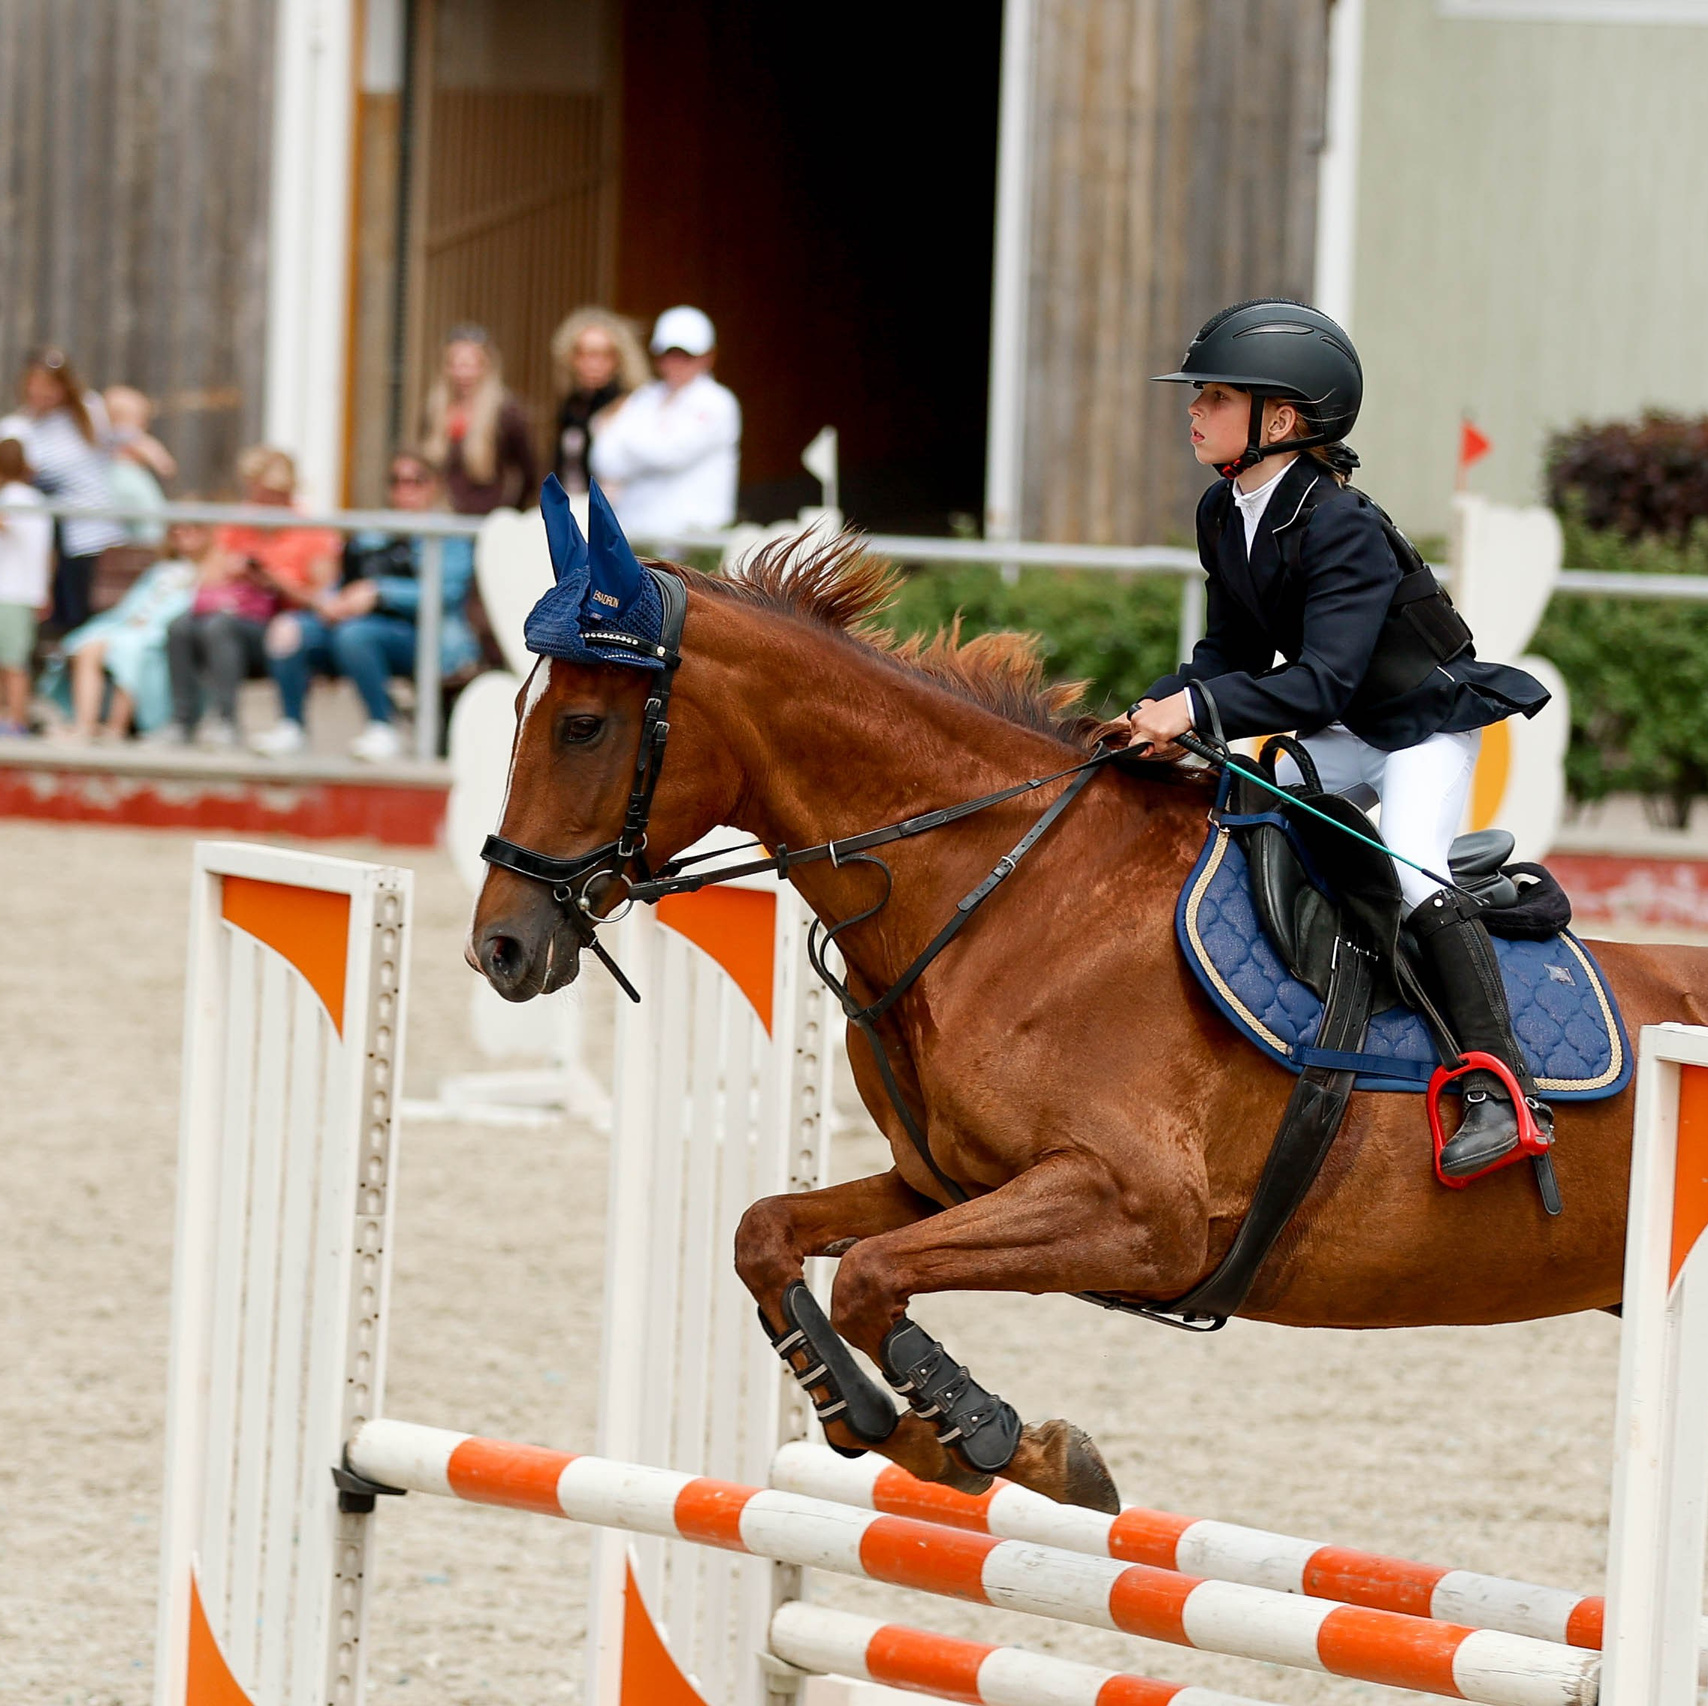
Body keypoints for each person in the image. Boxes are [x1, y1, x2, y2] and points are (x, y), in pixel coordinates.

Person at [1121, 298, 1552, 1182]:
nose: (1195, 408)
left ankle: (1501, 1088)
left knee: (1410, 865)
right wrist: (1151, 709)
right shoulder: (1223, 509)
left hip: (1421, 728)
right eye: (1200, 394)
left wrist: (1197, 709)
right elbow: (1231, 655)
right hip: (1347, 729)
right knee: (1244, 808)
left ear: (1279, 421)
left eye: (1216, 396)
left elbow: (1319, 680)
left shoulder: (1341, 522)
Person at [251, 448, 478, 762]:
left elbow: (446, 593)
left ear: (434, 486)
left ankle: (383, 726)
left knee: (356, 635)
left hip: (423, 638)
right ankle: (291, 726)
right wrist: (330, 601)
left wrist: (380, 593)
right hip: (355, 627)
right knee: (288, 630)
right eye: (396, 481)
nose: (404, 489)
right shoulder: (373, 531)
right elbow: (346, 579)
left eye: (415, 481)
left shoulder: (447, 534)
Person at [160, 446, 339, 747]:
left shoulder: (312, 531)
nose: (259, 501)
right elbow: (205, 580)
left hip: (285, 624)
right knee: (180, 626)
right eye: (255, 491)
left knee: (219, 627)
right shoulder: (240, 522)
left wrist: (274, 580)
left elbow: (325, 599)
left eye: (268, 494)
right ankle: (182, 721)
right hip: (241, 614)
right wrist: (234, 569)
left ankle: (226, 721)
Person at [588, 305, 741, 536]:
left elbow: (669, 454)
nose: (675, 363)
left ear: (709, 356)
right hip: (636, 535)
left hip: (695, 541)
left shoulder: (718, 402)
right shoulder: (645, 397)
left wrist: (622, 434)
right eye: (667, 354)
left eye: (686, 355)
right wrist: (653, 437)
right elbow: (605, 461)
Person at [49, 518, 207, 742]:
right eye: (176, 530)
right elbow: (133, 605)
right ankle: (85, 725)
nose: (182, 535)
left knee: (128, 651)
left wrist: (148, 623)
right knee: (88, 647)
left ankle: (116, 728)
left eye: (190, 530)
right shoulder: (161, 569)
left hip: (162, 634)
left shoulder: (207, 571)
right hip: (127, 625)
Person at [0, 349, 123, 634]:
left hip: (90, 529)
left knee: (80, 610)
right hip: (54, 530)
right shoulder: (22, 425)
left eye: (50, 385)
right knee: (61, 611)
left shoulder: (87, 412)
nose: (43, 393)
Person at [421, 325, 538, 514]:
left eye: (470, 365)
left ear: (486, 367)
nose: (462, 373)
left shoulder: (506, 413)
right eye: (455, 364)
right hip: (441, 517)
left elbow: (529, 473)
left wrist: (509, 512)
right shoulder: (433, 410)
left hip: (485, 518)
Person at [549, 307, 649, 494]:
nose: (593, 364)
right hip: (573, 501)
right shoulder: (571, 405)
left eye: (604, 355)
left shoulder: (630, 407)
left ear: (619, 360)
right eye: (583, 354)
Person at [0, 438, 54, 736]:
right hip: (24, 592)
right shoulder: (37, 500)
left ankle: (16, 720)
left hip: (9, 592)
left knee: (12, 663)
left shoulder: (12, 497)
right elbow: (47, 554)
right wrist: (44, 592)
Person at [102, 385, 176, 545]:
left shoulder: (104, 437)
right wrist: (160, 462)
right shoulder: (134, 436)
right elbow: (165, 465)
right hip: (131, 484)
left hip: (109, 484)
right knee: (151, 526)